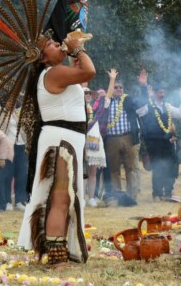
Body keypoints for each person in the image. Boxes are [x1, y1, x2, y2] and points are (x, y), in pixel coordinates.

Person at [17, 35, 95, 267]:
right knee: (60, 197)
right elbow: (89, 71)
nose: (57, 44)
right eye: (51, 45)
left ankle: (55, 250)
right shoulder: (52, 73)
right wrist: (77, 48)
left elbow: (80, 71)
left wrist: (72, 53)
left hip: (64, 138)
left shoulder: (55, 72)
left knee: (60, 197)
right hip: (62, 141)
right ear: (42, 58)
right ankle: (56, 256)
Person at [101, 72, 148, 200]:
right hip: (111, 139)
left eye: (121, 87)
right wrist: (112, 80)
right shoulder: (106, 101)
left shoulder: (128, 99)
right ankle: (117, 195)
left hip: (128, 137)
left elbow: (143, 103)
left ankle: (131, 196)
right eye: (116, 87)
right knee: (114, 169)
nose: (119, 89)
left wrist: (143, 86)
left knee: (131, 167)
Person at [141, 83, 181, 200]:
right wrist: (148, 97)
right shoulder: (148, 106)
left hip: (168, 142)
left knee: (170, 167)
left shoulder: (167, 106)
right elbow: (140, 112)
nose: (163, 94)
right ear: (155, 94)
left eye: (163, 92)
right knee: (157, 167)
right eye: (160, 92)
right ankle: (157, 193)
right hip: (154, 142)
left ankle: (168, 192)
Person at [84, 69, 117, 207]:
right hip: (80, 138)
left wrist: (112, 80)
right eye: (85, 94)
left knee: (93, 170)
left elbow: (108, 95)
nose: (87, 96)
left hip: (93, 139)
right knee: (80, 171)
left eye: (89, 94)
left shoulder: (98, 107)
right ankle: (80, 196)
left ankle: (91, 197)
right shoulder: (76, 106)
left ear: (92, 97)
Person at [0, 92, 29, 211]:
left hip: (21, 145)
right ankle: (7, 201)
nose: (11, 104)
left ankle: (20, 201)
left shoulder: (18, 114)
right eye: (9, 101)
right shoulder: (0, 113)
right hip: (8, 147)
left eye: (13, 101)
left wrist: (22, 93)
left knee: (22, 174)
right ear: (4, 102)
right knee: (7, 174)